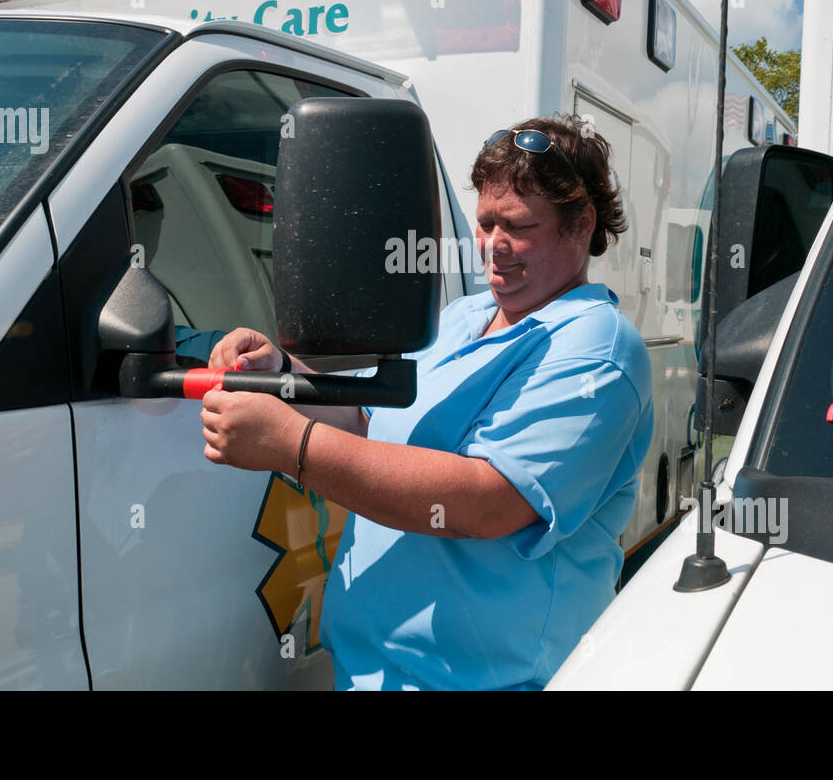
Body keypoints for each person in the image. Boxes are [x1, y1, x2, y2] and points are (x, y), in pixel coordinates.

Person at [199, 115, 654, 690]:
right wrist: (280, 374)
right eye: (485, 222)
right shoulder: (466, 318)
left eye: (518, 225)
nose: (493, 246)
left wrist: (290, 445)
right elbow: (367, 417)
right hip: (369, 672)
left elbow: (488, 504)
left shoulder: (597, 349)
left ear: (581, 224)